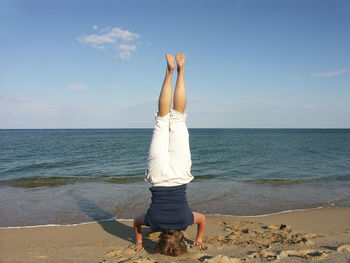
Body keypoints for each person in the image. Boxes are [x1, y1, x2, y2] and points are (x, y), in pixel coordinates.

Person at [133, 53, 207, 256]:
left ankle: (181, 69)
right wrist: (139, 241)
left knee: (179, 118)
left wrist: (199, 238)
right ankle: (169, 71)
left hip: (180, 173)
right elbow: (136, 223)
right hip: (157, 175)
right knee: (162, 119)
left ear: (181, 239)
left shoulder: (185, 221)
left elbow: (202, 220)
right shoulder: (153, 223)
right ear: (160, 239)